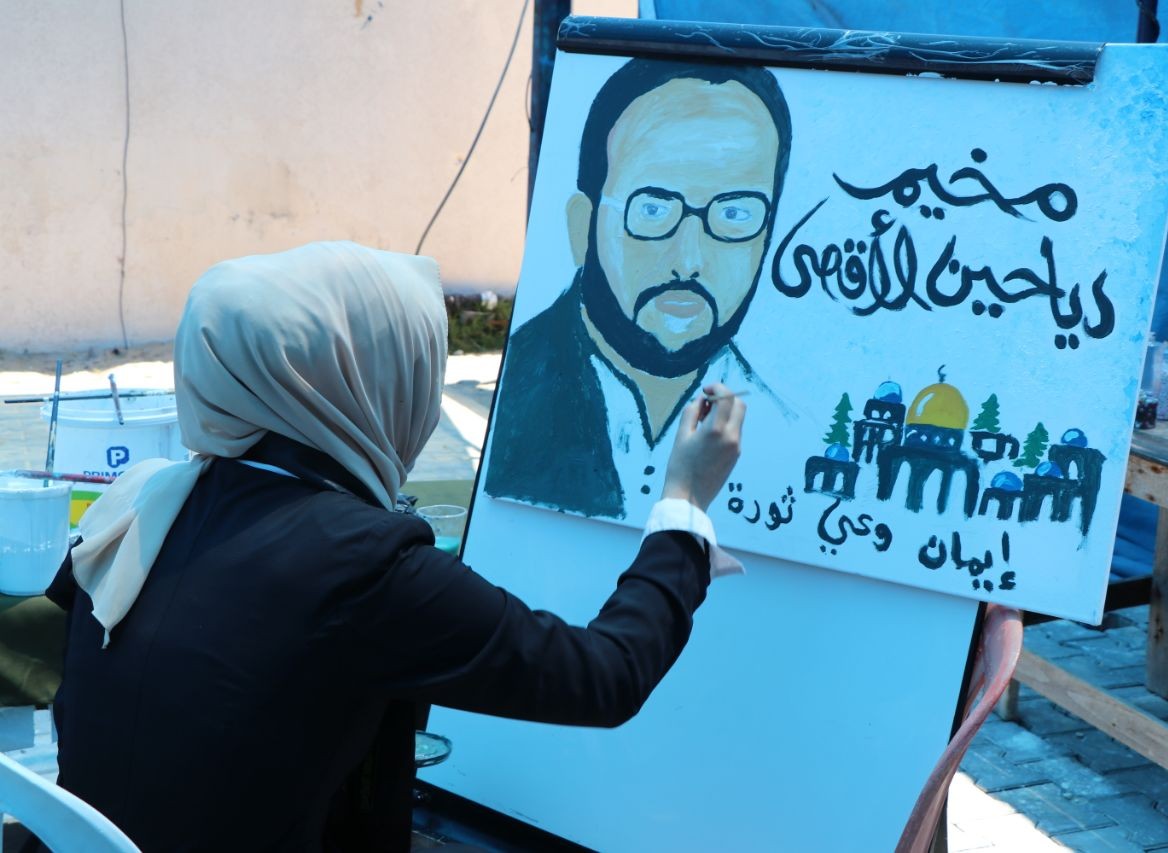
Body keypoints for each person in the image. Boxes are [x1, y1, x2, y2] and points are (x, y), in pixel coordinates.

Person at [45, 241, 745, 852]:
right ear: (365, 380)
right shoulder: (359, 562)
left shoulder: (145, 500)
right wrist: (682, 508)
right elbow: (603, 675)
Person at [483, 59, 791, 520]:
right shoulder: (520, 399)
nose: (689, 260)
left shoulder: (787, 424)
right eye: (653, 210)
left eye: (735, 214)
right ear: (582, 227)